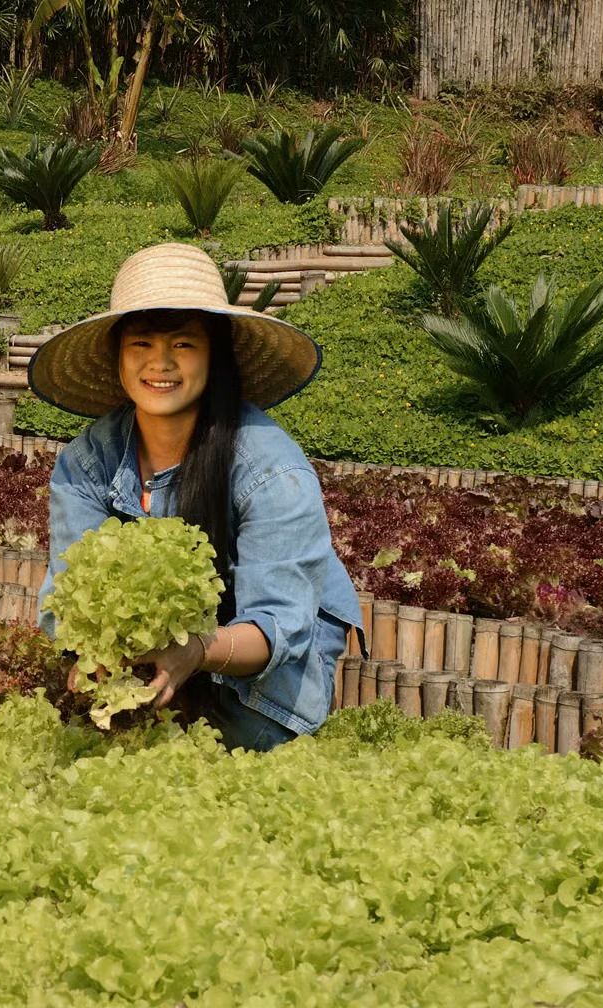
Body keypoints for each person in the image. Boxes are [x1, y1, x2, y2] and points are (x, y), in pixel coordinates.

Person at [29, 242, 363, 752]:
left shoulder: (271, 468)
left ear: (214, 357)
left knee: (239, 745)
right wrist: (91, 652)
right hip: (154, 667)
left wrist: (196, 650)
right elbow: (68, 596)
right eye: (141, 343)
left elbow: (278, 627)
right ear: (118, 357)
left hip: (263, 680)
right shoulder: (87, 462)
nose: (160, 363)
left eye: (183, 344)